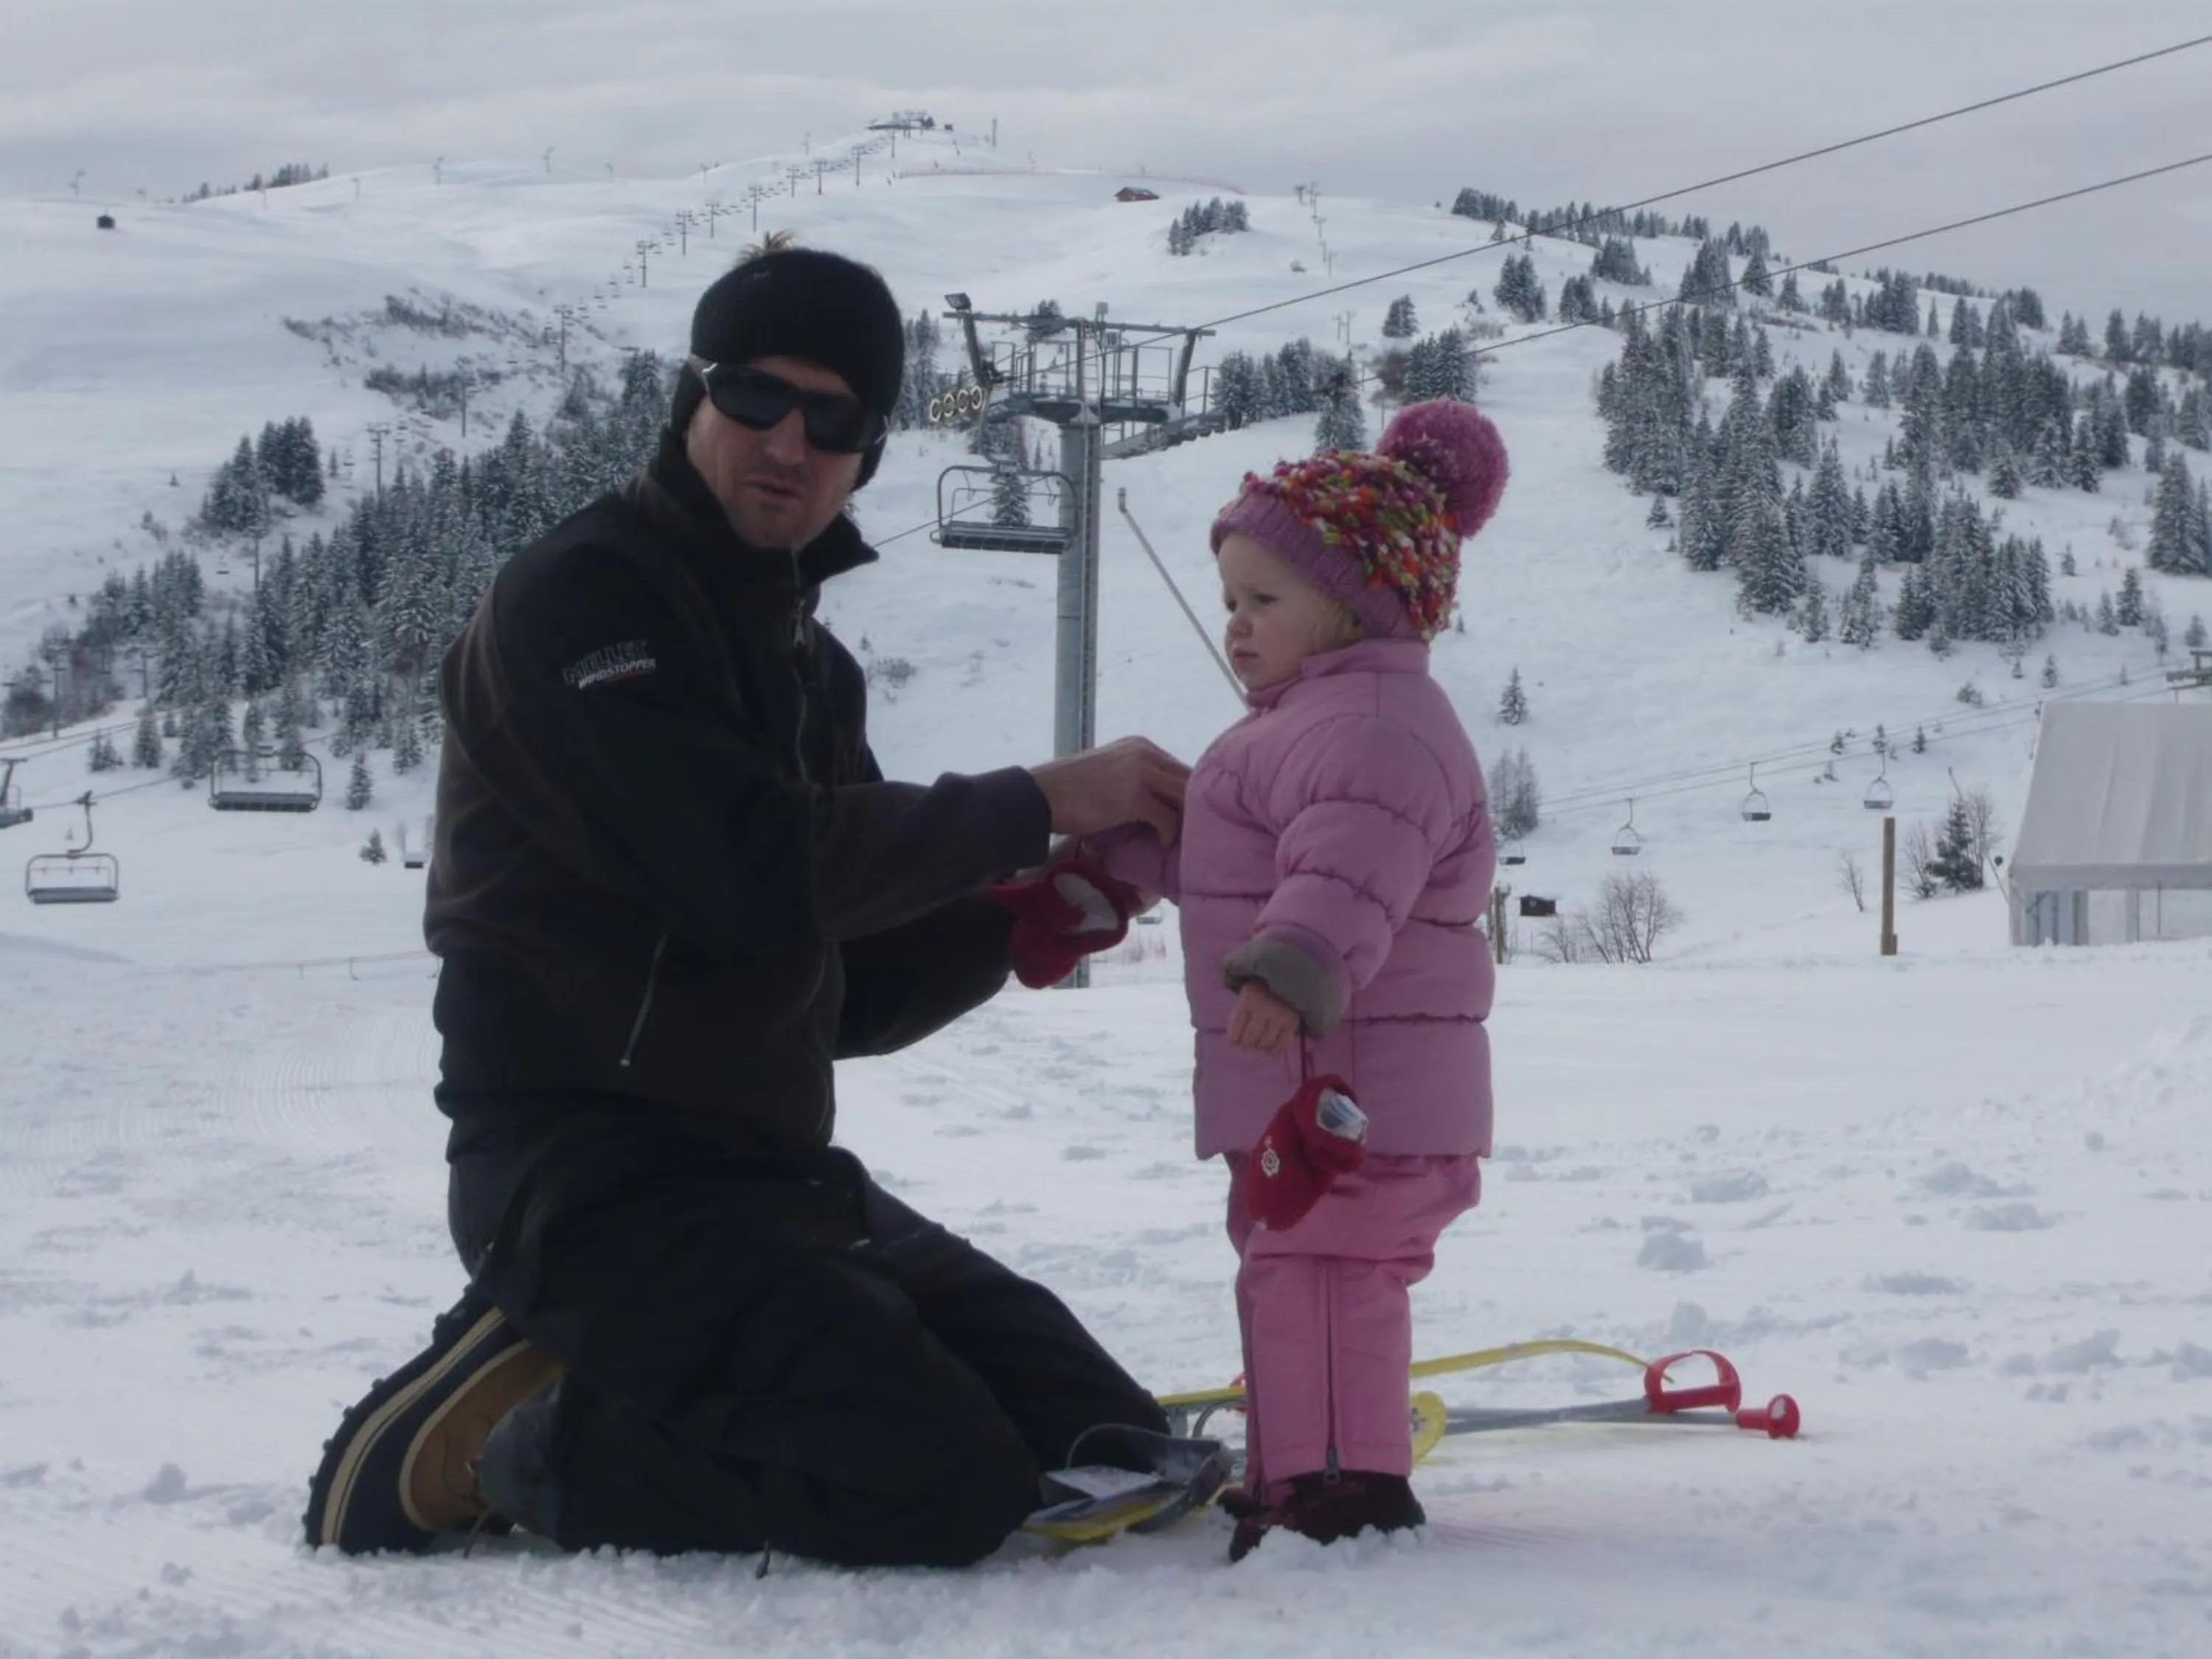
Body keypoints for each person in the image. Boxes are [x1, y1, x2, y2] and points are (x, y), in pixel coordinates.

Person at [302, 245, 1190, 1567]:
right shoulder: (583, 601)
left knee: (1104, 1441)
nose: (791, 439)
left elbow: (845, 980)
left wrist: (1025, 917)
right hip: (588, 1179)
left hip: (769, 1175)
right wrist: (1037, 798)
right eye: (758, 394)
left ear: (868, 452)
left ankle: (641, 1365)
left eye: (835, 419)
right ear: (693, 399)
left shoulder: (808, 665)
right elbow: (741, 867)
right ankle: (518, 1438)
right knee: (941, 1484)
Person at [1084, 399, 1509, 1560]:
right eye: (1230, 600)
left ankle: (1346, 1487)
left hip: (1353, 1090)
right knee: (1288, 1272)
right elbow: (1235, 867)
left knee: (1325, 1279)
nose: (1236, 624)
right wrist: (1115, 857)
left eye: (1265, 600)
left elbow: (1347, 870)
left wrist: (1292, 968)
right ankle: (1294, 1476)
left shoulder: (1376, 728)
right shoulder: (1296, 726)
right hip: (1305, 1087)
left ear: (1361, 602)